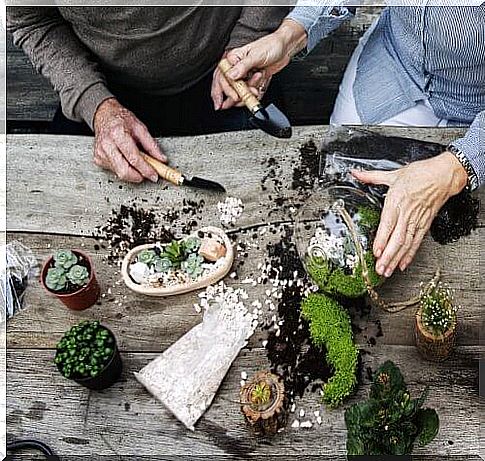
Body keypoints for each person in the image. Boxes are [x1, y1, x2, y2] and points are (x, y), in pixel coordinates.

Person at [213, 4, 485, 279]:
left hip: (474, 105)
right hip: (392, 68)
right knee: (340, 175)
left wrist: (458, 167)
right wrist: (288, 37)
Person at [7, 6, 288, 183]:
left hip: (227, 71)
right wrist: (94, 101)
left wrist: (249, 38)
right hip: (105, 89)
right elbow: (32, 21)